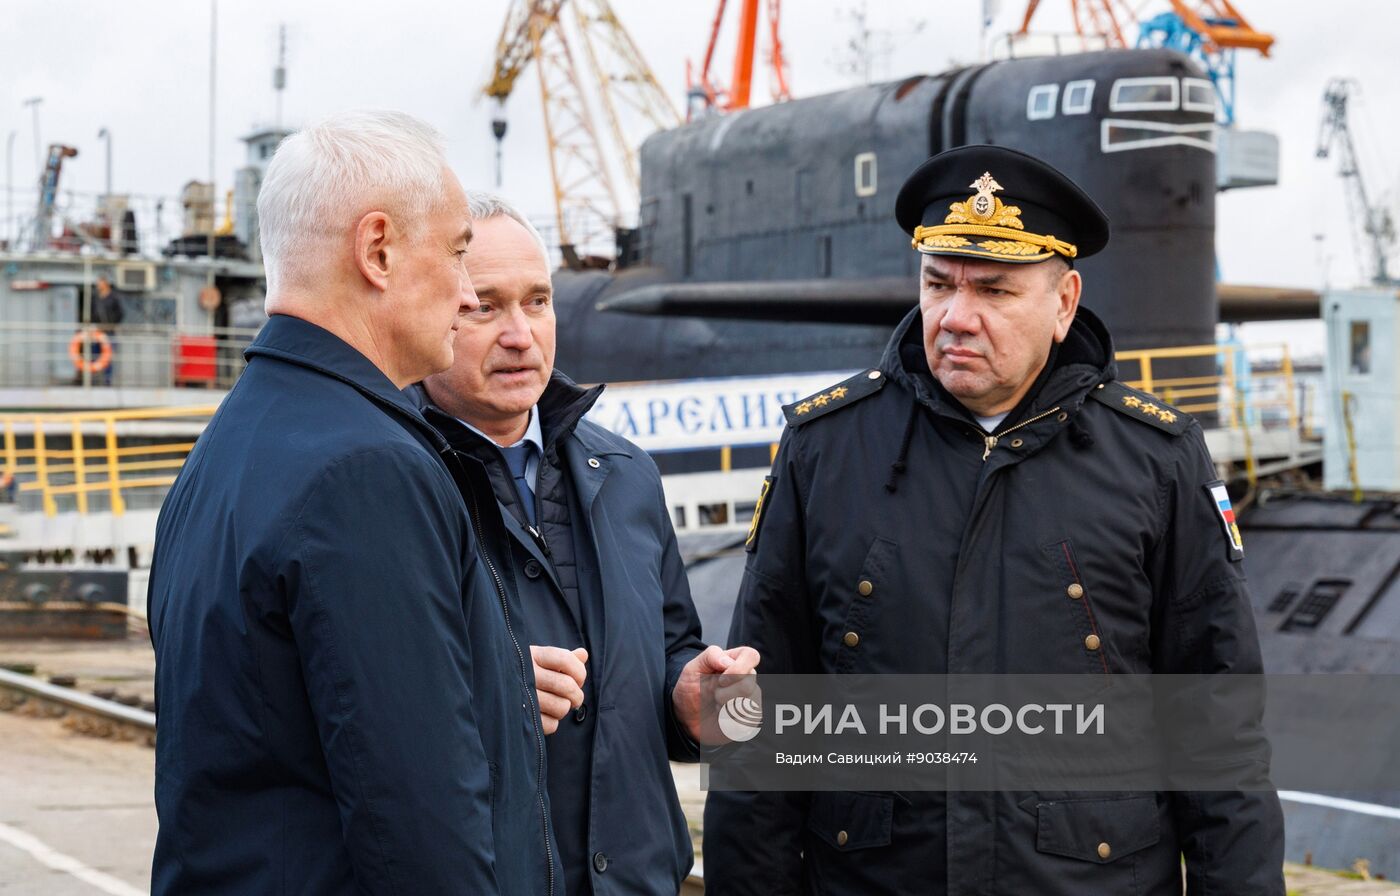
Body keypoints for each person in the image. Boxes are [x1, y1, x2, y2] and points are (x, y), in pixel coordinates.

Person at [703, 145, 1285, 895]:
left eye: (997, 292)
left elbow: (1220, 736)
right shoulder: (827, 449)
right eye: (938, 284)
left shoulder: (1156, 460)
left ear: (1064, 302)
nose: (955, 318)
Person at [147, 111, 560, 895]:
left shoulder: (227, 447)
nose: (467, 290)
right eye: (458, 252)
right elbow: (420, 830)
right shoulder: (367, 470)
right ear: (378, 250)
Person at [411, 192, 758, 895]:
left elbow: (666, 650)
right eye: (485, 307)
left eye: (537, 302)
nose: (521, 335)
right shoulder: (397, 483)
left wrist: (692, 700)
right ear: (430, 312)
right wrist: (490, 691)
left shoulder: (627, 474)